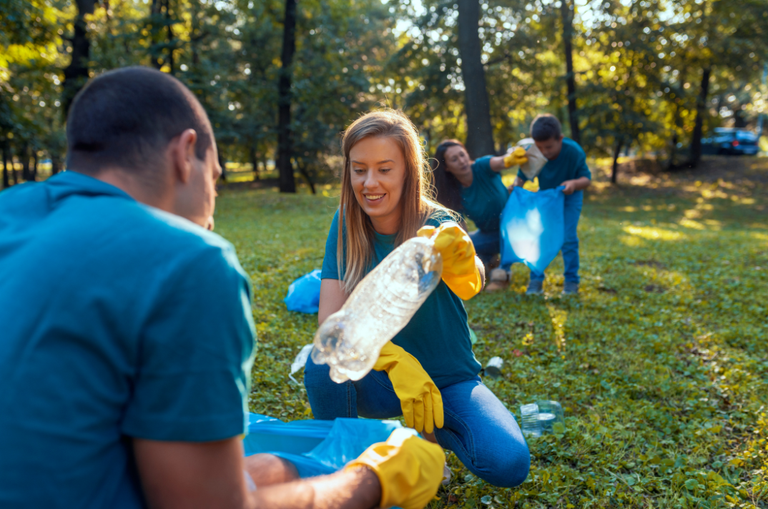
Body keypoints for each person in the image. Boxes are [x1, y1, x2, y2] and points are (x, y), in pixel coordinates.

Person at [0, 67, 444, 509]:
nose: (211, 218)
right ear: (185, 153)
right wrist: (373, 481)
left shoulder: (11, 214)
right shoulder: (190, 260)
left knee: (272, 462)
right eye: (213, 181)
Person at [304, 110, 530, 488]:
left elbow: (472, 281)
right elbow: (329, 321)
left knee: (507, 463)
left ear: (408, 170)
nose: (369, 183)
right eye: (359, 170)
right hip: (382, 380)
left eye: (384, 169)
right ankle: (338, 463)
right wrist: (393, 360)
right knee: (321, 364)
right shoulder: (346, 221)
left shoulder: (438, 221)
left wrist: (464, 260)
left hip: (447, 379)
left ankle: (427, 438)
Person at [489, 114, 591, 295]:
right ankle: (536, 280)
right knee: (540, 237)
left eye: (549, 147)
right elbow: (523, 176)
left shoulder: (573, 151)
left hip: (569, 198)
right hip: (546, 200)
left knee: (568, 238)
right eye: (540, 147)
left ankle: (571, 282)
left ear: (560, 139)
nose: (545, 152)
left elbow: (586, 179)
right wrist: (516, 187)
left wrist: (573, 184)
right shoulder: (534, 153)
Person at [431, 140, 526, 270]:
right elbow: (461, 231)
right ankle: (487, 262)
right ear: (446, 167)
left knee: (504, 236)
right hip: (489, 236)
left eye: (462, 155)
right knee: (459, 247)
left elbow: (501, 161)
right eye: (454, 159)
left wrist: (511, 158)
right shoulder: (454, 193)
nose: (461, 161)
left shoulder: (482, 166)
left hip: (515, 228)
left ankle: (503, 272)